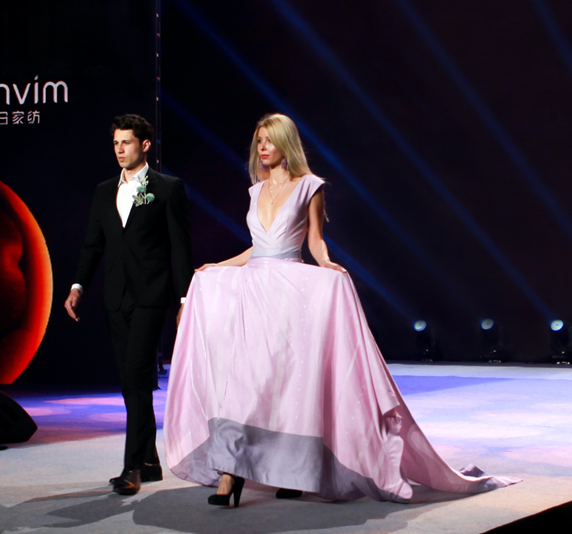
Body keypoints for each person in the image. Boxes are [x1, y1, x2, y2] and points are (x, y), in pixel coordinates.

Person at [164, 113, 518, 507]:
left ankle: (290, 472)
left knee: (284, 387)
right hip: (252, 293)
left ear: (285, 143)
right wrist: (219, 266)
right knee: (244, 384)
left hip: (290, 295)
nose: (262, 148)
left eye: (269, 140)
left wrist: (328, 265)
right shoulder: (256, 191)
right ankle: (230, 475)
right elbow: (257, 248)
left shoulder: (309, 187)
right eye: (258, 141)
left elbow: (314, 240)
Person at [66, 114, 193, 496]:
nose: (120, 149)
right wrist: (78, 286)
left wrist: (185, 298)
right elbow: (93, 244)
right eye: (116, 143)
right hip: (115, 296)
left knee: (136, 373)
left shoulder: (167, 188)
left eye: (127, 142)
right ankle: (150, 460)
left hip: (152, 296)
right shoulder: (104, 190)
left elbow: (180, 248)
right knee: (130, 382)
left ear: (145, 145)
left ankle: (132, 466)